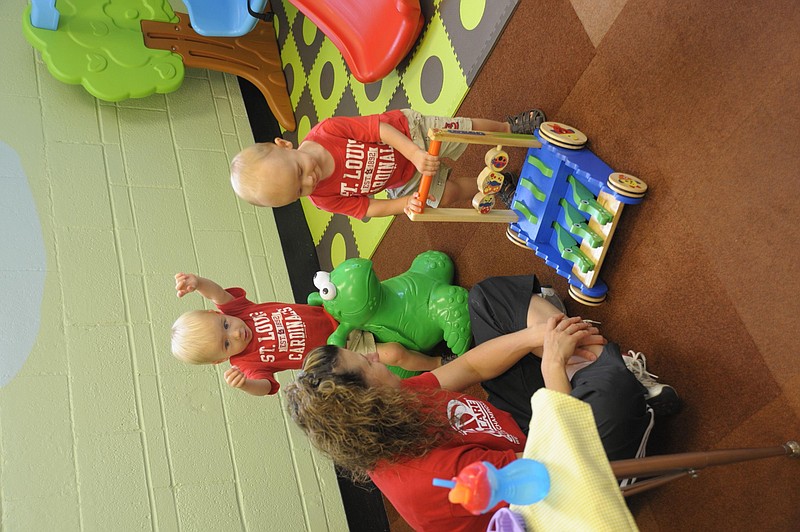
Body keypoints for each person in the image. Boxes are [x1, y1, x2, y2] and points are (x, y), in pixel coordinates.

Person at [284, 275, 680, 531]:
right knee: (610, 394)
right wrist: (553, 362)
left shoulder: (392, 403)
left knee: (488, 301)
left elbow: (470, 365)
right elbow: (549, 472)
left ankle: (598, 365)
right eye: (365, 363)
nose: (374, 356)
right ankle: (608, 375)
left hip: (527, 436)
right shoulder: (427, 479)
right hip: (552, 490)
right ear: (365, 401)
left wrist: (536, 337)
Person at [229, 108, 546, 220]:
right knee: (444, 197)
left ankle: (507, 128)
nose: (309, 182)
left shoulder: (327, 132)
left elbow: (379, 129)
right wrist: (407, 203)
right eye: (300, 191)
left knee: (462, 130)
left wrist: (415, 154)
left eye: (300, 172)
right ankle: (494, 184)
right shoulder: (322, 198)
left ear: (285, 145)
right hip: (401, 179)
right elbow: (368, 208)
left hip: (409, 135)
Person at [170, 272, 440, 397]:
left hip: (336, 314)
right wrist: (244, 385)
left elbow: (218, 293)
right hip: (342, 352)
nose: (238, 334)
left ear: (219, 314)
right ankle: (438, 366)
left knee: (371, 296)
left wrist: (198, 283)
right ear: (221, 359)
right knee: (394, 352)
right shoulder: (246, 364)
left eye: (226, 326)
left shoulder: (239, 310)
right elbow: (266, 387)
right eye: (227, 344)